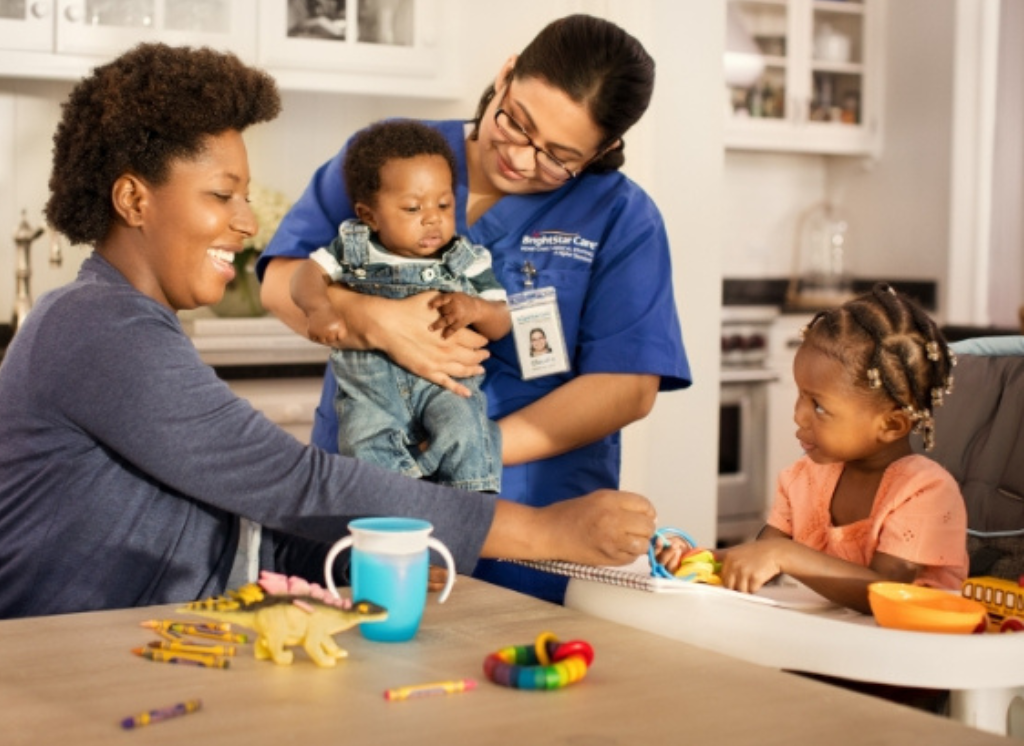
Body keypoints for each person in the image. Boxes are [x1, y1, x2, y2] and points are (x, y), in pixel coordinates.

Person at [0, 43, 662, 620]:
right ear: (135, 200)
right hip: (72, 658)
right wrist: (545, 530)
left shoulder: (129, 320)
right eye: (221, 195)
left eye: (244, 197)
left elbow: (228, 522)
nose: (246, 224)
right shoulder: (97, 329)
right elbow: (294, 483)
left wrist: (362, 554)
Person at [258, 14, 692, 603]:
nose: (520, 156)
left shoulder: (623, 218)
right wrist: (374, 322)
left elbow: (627, 387)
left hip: (533, 510)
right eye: (516, 121)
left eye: (558, 157)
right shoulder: (392, 153)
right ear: (506, 73)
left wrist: (462, 448)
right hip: (365, 486)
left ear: (603, 151)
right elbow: (281, 280)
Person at [660, 284, 967, 614]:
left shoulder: (924, 491)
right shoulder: (804, 479)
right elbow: (761, 555)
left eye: (819, 406)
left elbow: (887, 592)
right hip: (829, 641)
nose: (798, 415)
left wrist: (786, 555)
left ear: (890, 425)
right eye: (800, 395)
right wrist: (698, 558)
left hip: (912, 654)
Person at [290, 119, 509, 492]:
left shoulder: (466, 259)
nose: (432, 218)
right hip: (371, 394)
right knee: (362, 441)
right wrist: (320, 309)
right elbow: (304, 277)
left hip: (444, 387)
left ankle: (471, 504)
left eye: (444, 203)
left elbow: (501, 321)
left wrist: (475, 310)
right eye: (411, 208)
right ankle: (397, 507)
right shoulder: (353, 248)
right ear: (369, 215)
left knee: (466, 427)